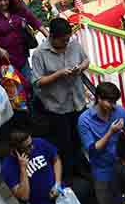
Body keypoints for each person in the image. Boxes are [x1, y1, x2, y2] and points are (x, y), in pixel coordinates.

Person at [30, 18, 88, 178]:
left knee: (79, 138)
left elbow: (86, 60)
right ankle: (68, 174)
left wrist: (80, 68)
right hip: (58, 108)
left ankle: (82, 168)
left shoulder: (74, 44)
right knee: (64, 143)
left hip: (78, 102)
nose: (66, 43)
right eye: (63, 40)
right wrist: (59, 74)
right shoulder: (39, 54)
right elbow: (37, 82)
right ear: (52, 37)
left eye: (68, 39)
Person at [79, 82, 125, 204]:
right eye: (110, 102)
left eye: (114, 102)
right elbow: (92, 150)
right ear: (99, 98)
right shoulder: (84, 120)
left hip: (123, 167)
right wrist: (111, 132)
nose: (113, 106)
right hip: (103, 172)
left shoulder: (118, 111)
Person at [1, 130, 63, 204]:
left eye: (31, 143)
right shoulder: (8, 167)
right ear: (16, 150)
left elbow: (56, 159)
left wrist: (57, 183)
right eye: (28, 147)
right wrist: (23, 169)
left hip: (61, 198)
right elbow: (24, 196)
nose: (33, 147)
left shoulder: (39, 142)